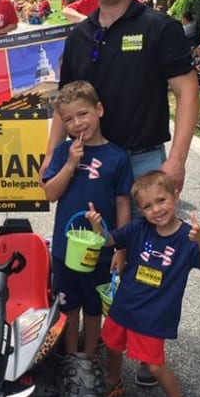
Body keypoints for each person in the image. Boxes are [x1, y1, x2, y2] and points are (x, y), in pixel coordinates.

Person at [41, 0, 199, 388]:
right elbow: (63, 104)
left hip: (145, 161)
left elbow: (188, 93)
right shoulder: (79, 35)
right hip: (91, 163)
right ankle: (91, 351)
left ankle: (146, 347)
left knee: (147, 263)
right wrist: (52, 154)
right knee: (92, 254)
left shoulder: (159, 28)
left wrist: (179, 161)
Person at [86, 170, 200, 397]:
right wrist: (97, 226)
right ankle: (114, 381)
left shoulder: (187, 238)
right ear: (140, 210)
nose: (156, 210)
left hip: (154, 317)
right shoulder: (138, 229)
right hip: (124, 306)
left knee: (155, 365)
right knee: (111, 344)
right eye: (147, 206)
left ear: (176, 197)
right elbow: (107, 241)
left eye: (161, 200)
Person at [42, 81, 133, 358]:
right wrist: (70, 163)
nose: (77, 123)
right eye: (69, 119)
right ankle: (71, 356)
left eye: (83, 114)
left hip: (100, 248)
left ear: (99, 110)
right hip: (65, 248)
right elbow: (50, 193)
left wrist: (120, 247)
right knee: (68, 305)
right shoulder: (62, 152)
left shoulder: (117, 157)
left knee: (94, 306)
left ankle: (90, 354)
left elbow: (123, 203)